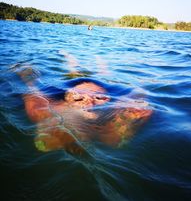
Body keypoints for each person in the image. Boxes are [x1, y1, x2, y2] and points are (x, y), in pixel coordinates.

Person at [13, 53, 152, 158]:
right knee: (74, 73)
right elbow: (32, 90)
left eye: (99, 98)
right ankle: (70, 59)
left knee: (103, 75)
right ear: (66, 100)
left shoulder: (118, 112)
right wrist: (24, 71)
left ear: (110, 101)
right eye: (79, 98)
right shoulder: (48, 109)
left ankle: (100, 65)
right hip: (69, 95)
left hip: (96, 91)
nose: (89, 102)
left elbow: (139, 93)